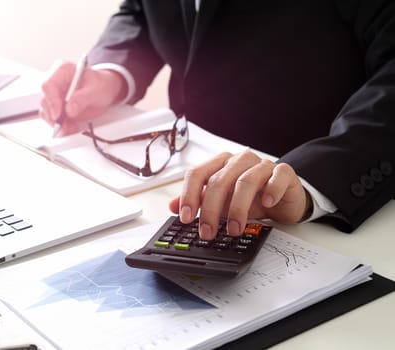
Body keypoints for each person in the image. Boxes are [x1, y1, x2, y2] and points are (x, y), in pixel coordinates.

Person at [40, 0, 395, 238]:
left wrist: (309, 179)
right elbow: (141, 12)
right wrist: (110, 74)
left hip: (323, 206)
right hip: (177, 170)